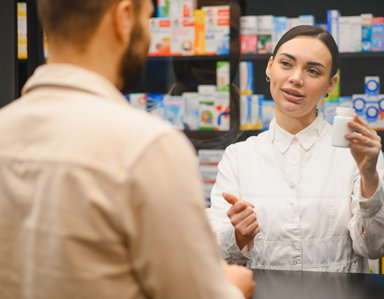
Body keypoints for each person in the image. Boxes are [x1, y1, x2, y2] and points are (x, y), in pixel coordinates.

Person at [0, 0, 255, 298]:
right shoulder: (147, 145)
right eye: (148, 19)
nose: (151, 39)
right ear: (123, 18)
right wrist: (232, 288)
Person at [207, 25, 384, 272]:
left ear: (331, 84)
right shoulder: (239, 157)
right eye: (286, 64)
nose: (296, 78)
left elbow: (377, 248)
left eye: (313, 71)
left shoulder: (357, 154)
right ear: (269, 67)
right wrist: (238, 237)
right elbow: (214, 251)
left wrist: (370, 176)